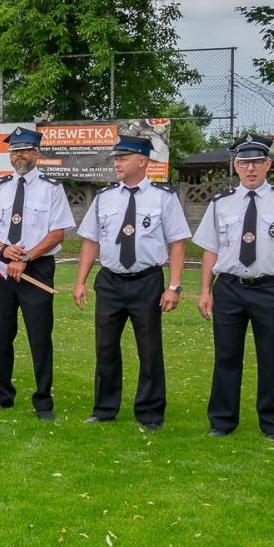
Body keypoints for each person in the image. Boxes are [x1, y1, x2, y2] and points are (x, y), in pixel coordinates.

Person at [194, 135, 274, 443]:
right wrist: (205, 290)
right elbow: (210, 249)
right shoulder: (221, 203)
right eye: (245, 163)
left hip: (269, 288)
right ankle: (221, 421)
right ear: (236, 166)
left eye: (257, 163)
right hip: (230, 288)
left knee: (272, 357)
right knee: (226, 356)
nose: (251, 169)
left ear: (268, 165)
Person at [73, 134, 190, 430]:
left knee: (149, 349)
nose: (117, 163)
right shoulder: (104, 198)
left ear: (142, 161)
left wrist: (174, 286)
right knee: (106, 347)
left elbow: (177, 244)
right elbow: (90, 241)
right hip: (110, 281)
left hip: (146, 281)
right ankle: (104, 408)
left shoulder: (164, 198)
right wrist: (80, 281)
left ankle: (150, 412)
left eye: (123, 158)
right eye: (116, 158)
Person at [0, 126, 76, 420]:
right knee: (0, 334)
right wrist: (3, 248)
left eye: (24, 150)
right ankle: (1, 396)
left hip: (37, 268)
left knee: (39, 336)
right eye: (14, 151)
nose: (19, 156)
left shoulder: (52, 189)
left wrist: (27, 257)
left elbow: (57, 234)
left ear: (36, 153)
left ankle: (43, 401)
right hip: (2, 267)